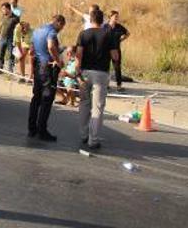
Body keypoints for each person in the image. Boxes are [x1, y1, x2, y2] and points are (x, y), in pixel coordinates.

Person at [76, 8, 120, 150]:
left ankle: (83, 135)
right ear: (103, 20)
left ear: (91, 19)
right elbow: (115, 56)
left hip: (85, 73)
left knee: (84, 104)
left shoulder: (83, 34)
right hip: (101, 74)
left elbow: (78, 56)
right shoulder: (109, 35)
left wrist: (78, 74)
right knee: (98, 107)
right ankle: (93, 139)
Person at [27, 14, 66, 142]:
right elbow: (50, 46)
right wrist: (58, 60)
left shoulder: (37, 30)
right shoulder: (52, 32)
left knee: (36, 98)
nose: (61, 30)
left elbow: (31, 51)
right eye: (62, 27)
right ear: (59, 23)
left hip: (38, 65)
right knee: (47, 99)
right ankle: (42, 131)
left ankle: (31, 128)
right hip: (47, 67)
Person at [104, 10, 130, 92]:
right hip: (106, 50)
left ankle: (119, 86)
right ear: (110, 17)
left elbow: (128, 33)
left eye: (117, 17)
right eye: (115, 16)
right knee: (105, 67)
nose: (117, 18)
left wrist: (121, 39)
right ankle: (106, 85)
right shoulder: (105, 26)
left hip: (116, 49)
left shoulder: (119, 26)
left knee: (117, 68)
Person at [0, 2, 20, 74]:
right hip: (2, 38)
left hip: (11, 39)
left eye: (4, 9)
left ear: (8, 9)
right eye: (2, 9)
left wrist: (16, 39)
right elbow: (0, 25)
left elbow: (18, 29)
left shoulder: (15, 18)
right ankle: (0, 69)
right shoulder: (3, 16)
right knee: (0, 54)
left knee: (11, 55)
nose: (3, 10)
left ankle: (10, 70)